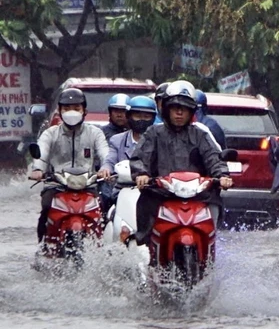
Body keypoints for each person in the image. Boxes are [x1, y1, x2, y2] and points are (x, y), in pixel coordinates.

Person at [129, 80, 233, 246]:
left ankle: (209, 250)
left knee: (215, 202)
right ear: (166, 109)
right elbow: (140, 157)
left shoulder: (200, 134)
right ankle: (147, 249)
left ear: (191, 111)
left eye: (184, 109)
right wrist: (141, 174)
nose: (179, 113)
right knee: (145, 204)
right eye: (175, 108)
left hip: (197, 194)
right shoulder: (154, 133)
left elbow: (214, 157)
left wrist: (222, 175)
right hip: (161, 193)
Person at [28, 88, 109, 243]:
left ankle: (101, 245)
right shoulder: (50, 133)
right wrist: (38, 169)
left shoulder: (95, 133)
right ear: (59, 111)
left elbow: (105, 153)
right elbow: (42, 152)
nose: (71, 112)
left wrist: (106, 168)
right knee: (46, 207)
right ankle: (43, 245)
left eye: (76, 108)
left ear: (85, 110)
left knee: (103, 207)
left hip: (88, 184)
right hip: (56, 184)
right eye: (66, 108)